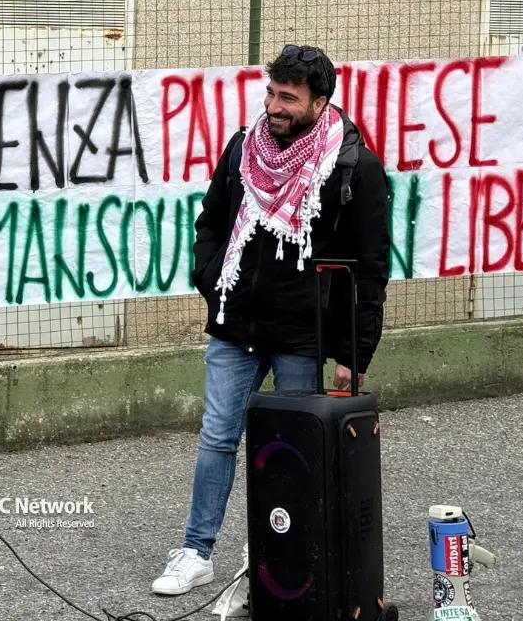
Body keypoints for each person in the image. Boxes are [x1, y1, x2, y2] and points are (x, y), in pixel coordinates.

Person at [150, 45, 391, 614]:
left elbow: (371, 267)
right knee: (216, 438)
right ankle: (196, 550)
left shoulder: (353, 165)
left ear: (319, 101)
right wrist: (211, 277)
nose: (274, 106)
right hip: (237, 325)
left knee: (292, 451)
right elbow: (212, 219)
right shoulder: (243, 147)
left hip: (304, 336)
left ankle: (282, 563)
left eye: (288, 97)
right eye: (270, 93)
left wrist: (354, 353)